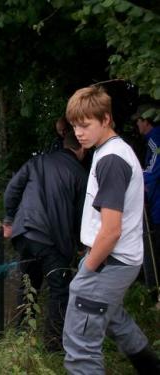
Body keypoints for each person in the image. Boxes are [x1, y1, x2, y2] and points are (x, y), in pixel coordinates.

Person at [63, 85, 160, 374]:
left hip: (109, 261)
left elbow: (111, 230)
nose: (79, 133)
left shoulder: (111, 160)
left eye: (85, 125)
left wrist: (87, 269)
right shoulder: (112, 151)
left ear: (105, 119)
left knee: (80, 342)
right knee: (114, 317)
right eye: (74, 126)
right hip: (117, 260)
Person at [3, 131, 87, 351]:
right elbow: (81, 216)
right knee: (60, 289)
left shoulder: (37, 161)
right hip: (52, 240)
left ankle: (21, 332)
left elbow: (12, 190)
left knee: (28, 281)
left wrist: (10, 218)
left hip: (24, 234)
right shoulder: (80, 173)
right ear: (82, 149)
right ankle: (53, 343)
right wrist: (80, 245)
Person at [134, 104, 160, 291]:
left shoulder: (155, 139)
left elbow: (153, 169)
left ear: (145, 121)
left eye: (138, 121)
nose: (137, 125)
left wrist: (135, 176)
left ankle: (156, 292)